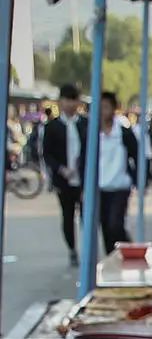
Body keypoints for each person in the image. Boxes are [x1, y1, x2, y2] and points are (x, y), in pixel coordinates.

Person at [41, 84, 86, 265]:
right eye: (66, 100)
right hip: (64, 179)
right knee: (67, 216)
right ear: (60, 102)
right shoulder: (52, 127)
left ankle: (87, 247)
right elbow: (47, 153)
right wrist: (61, 169)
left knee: (86, 215)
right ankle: (72, 249)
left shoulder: (85, 124)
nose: (69, 104)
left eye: (73, 100)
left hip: (83, 179)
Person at [93, 92, 140, 254]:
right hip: (100, 187)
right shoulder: (92, 134)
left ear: (113, 109)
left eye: (106, 107)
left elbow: (137, 155)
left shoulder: (124, 133)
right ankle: (111, 255)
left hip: (120, 185)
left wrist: (137, 180)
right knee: (105, 226)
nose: (102, 111)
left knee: (115, 224)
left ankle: (128, 248)